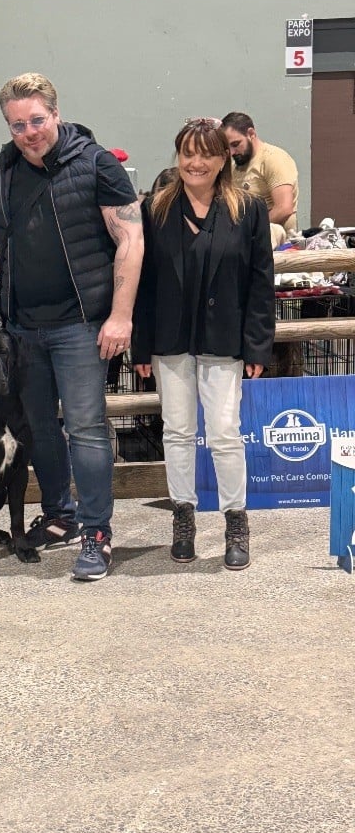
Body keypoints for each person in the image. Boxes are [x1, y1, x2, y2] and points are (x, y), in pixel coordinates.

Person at [0, 72, 144, 582]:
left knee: (86, 429)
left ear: (56, 114)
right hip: (22, 328)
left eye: (37, 120)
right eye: (17, 124)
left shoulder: (97, 163)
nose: (29, 132)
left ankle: (97, 534)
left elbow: (131, 239)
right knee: (39, 428)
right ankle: (61, 515)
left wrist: (121, 315)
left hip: (82, 326)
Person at [131, 118, 275, 570]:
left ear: (223, 158)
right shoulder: (154, 209)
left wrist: (257, 346)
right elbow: (143, 283)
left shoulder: (248, 209)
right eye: (187, 153)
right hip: (169, 340)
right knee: (176, 431)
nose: (196, 162)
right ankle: (183, 517)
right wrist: (140, 347)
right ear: (178, 156)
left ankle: (236, 522)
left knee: (225, 432)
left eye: (206, 154)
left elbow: (260, 282)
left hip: (224, 339)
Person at [221, 111, 299, 234]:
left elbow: (284, 208)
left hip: (275, 236)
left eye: (236, 144)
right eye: (227, 147)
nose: (232, 152)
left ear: (251, 134)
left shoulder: (273, 159)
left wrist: (249, 231)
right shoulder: (234, 166)